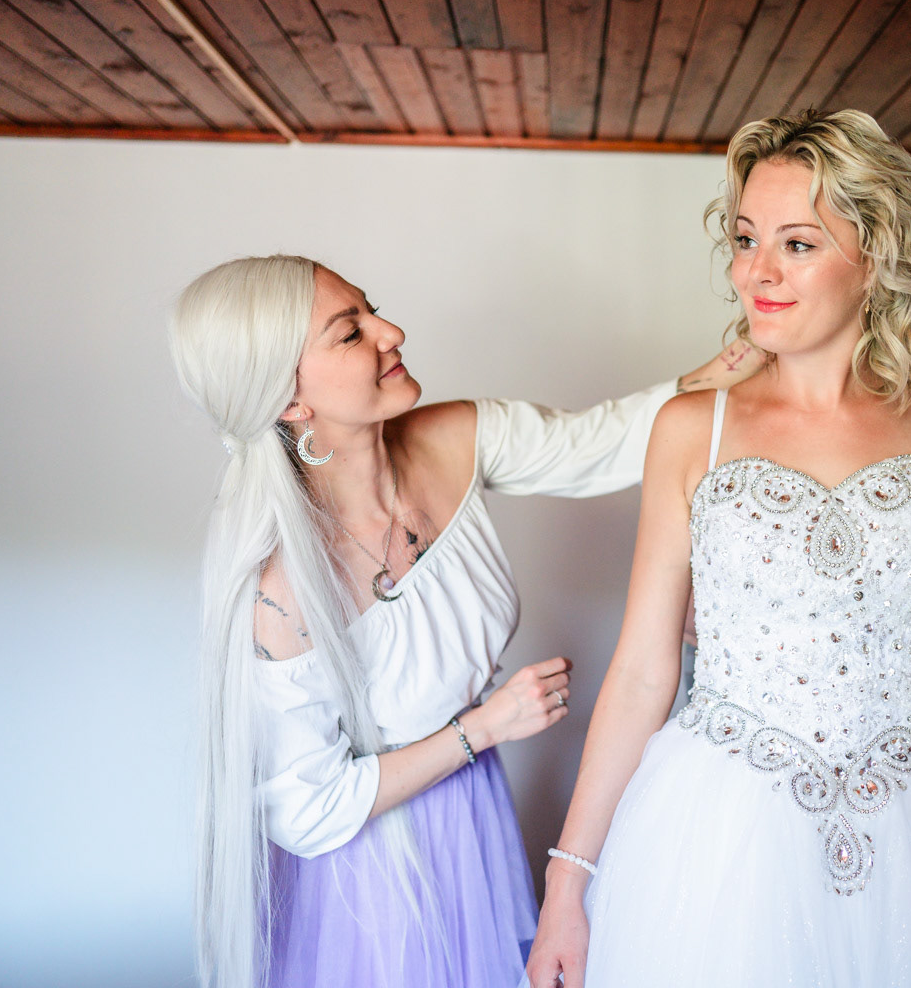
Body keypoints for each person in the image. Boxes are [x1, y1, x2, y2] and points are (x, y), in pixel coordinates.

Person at [525, 110, 911, 988]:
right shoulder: (691, 430)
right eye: (746, 239)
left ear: (875, 258)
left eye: (798, 244)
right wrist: (566, 884)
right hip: (729, 831)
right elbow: (639, 673)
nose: (756, 271)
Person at [168, 254, 761, 988]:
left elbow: (605, 441)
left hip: (472, 815)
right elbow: (308, 810)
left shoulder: (454, 435)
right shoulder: (280, 585)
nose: (391, 331)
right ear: (290, 402)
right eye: (350, 332)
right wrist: (484, 728)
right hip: (371, 874)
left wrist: (744, 359)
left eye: (371, 308)